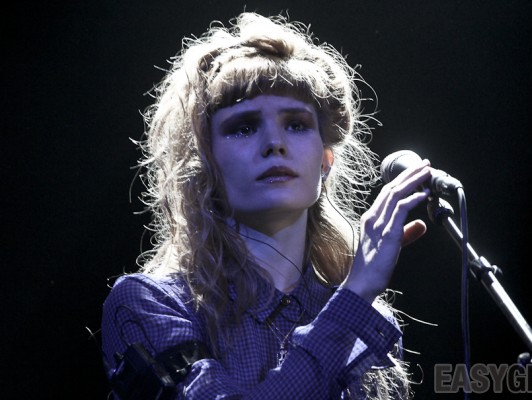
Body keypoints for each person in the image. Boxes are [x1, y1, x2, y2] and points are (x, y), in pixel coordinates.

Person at [101, 11, 433, 400]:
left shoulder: (366, 316)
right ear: (204, 164)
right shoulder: (153, 303)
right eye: (243, 127)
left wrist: (355, 301)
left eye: (297, 125)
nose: (275, 143)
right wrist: (356, 297)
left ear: (325, 161)